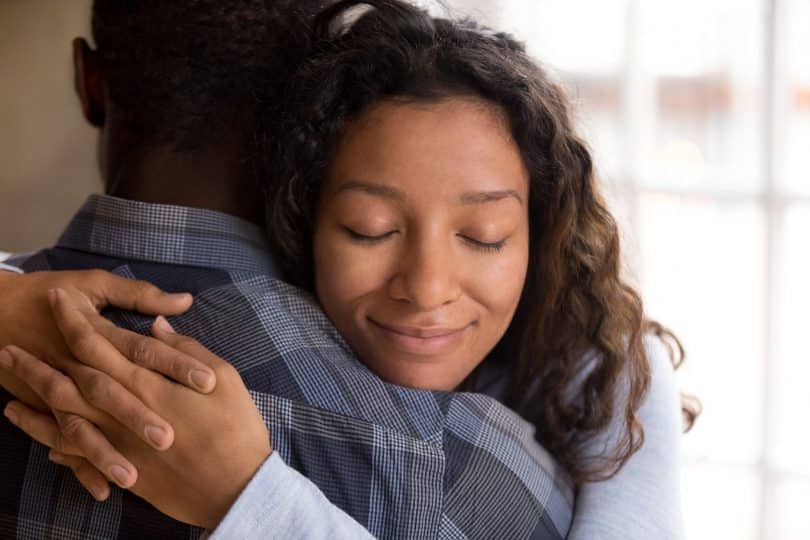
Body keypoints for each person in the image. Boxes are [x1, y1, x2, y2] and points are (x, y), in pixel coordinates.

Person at [0, 0, 694, 538]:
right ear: (304, 164)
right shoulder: (469, 476)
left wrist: (252, 495)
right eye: (370, 230)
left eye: (483, 236)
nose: (427, 287)